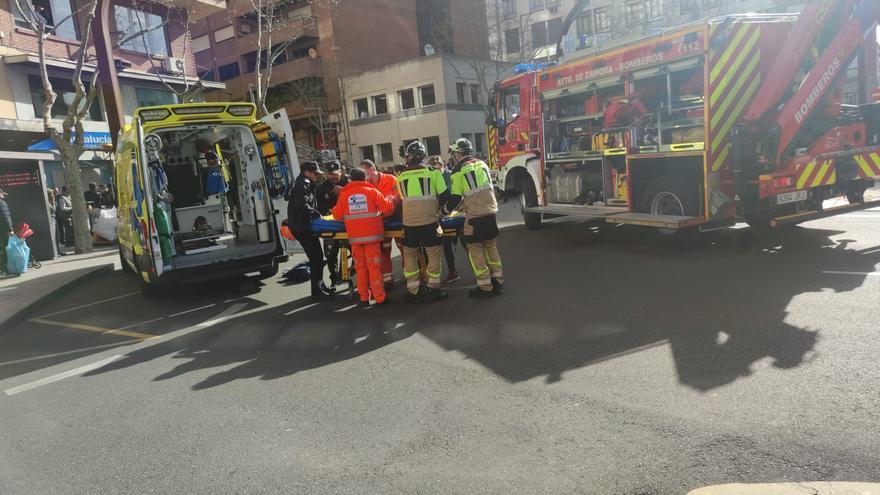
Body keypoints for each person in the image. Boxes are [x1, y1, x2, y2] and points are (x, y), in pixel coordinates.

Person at [445, 138, 503, 298]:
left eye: (454, 153)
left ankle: (485, 287)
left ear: (458, 153)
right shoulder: (482, 164)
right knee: (491, 246)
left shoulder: (458, 170)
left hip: (475, 216)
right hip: (491, 212)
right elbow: (481, 189)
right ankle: (497, 280)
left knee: (475, 249)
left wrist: (443, 211)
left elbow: (455, 197)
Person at [332, 168, 395, 306]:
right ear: (364, 178)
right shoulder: (372, 192)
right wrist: (390, 201)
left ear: (350, 179)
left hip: (355, 238)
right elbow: (388, 210)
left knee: (360, 268)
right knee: (374, 267)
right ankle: (379, 297)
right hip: (372, 237)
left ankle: (364, 298)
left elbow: (337, 216)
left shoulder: (344, 195)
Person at [396, 141, 450, 303]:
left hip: (409, 224)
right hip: (429, 221)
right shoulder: (433, 172)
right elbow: (445, 194)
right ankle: (434, 289)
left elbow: (401, 200)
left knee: (410, 255)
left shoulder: (401, 176)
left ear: (409, 156)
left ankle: (414, 291)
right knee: (433, 253)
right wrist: (437, 208)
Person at [287, 161, 334, 302]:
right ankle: (317, 291)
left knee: (317, 258)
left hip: (303, 226)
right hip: (302, 227)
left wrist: (322, 211)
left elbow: (310, 203)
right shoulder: (303, 184)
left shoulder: (305, 183)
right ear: (307, 172)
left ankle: (320, 286)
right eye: (315, 174)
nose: (317, 176)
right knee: (317, 259)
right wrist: (316, 214)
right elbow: (302, 205)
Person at [359, 159, 400, 287]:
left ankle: (409, 275)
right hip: (380, 221)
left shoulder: (391, 179)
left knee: (402, 247)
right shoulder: (366, 184)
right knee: (384, 250)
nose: (362, 174)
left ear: (371, 169)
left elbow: (399, 197)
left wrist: (391, 201)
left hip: (396, 218)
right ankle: (388, 279)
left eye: (363, 170)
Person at [316, 160, 350, 286]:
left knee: (357, 250)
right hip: (331, 224)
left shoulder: (348, 183)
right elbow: (319, 204)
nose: (332, 176)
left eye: (335, 173)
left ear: (341, 172)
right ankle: (334, 278)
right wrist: (328, 210)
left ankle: (352, 273)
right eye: (330, 174)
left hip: (349, 223)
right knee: (330, 253)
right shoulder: (322, 188)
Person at [429, 154, 460, 284]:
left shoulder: (450, 175)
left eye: (439, 167)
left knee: (466, 243)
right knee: (447, 244)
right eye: (434, 169)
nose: (437, 170)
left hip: (456, 212)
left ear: (442, 165)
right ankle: (453, 272)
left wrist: (443, 209)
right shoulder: (432, 176)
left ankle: (480, 272)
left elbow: (453, 195)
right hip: (444, 215)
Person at [0, 188, 13, 273]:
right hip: (2, 231)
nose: (3, 195)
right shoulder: (1, 203)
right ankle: (4, 268)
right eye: (2, 194)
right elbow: (5, 216)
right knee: (5, 248)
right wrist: (10, 229)